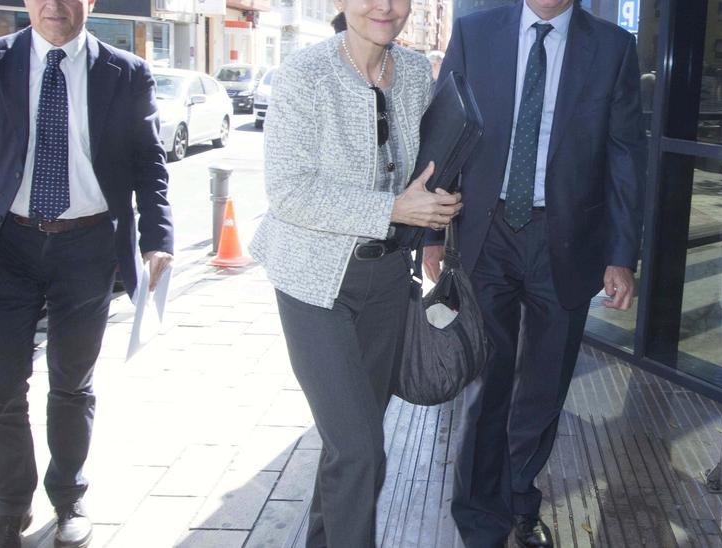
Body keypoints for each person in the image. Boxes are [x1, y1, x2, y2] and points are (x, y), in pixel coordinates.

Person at [0, 0, 175, 543]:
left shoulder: (125, 72)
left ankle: (70, 498)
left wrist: (158, 239)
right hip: (5, 247)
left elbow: (148, 162)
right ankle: (10, 508)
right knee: (0, 389)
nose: (54, 6)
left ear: (90, 3)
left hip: (87, 247)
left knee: (72, 383)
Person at [422, 0, 646, 544]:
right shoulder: (475, 34)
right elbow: (444, 133)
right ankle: (479, 516)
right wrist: (431, 234)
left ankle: (519, 498)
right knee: (488, 381)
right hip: (486, 233)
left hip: (568, 242)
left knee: (544, 388)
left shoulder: (614, 49)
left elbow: (624, 156)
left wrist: (621, 254)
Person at [249, 2, 457, 545]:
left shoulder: (413, 72)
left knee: (350, 448)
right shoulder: (305, 72)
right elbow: (289, 191)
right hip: (314, 283)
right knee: (361, 447)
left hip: (388, 281)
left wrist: (439, 204)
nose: (384, 7)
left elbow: (422, 167)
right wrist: (393, 209)